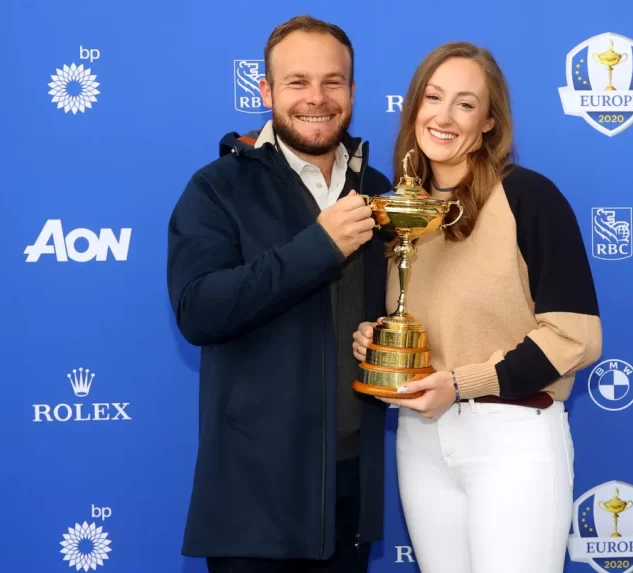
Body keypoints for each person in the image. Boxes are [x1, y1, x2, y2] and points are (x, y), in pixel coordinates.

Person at [352, 42, 603, 572]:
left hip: (512, 437)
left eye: (465, 104)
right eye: (433, 97)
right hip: (420, 440)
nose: (443, 117)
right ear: (414, 106)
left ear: (490, 121)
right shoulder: (401, 211)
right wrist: (377, 341)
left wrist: (462, 384)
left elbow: (576, 336)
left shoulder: (529, 197)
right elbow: (426, 321)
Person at [167, 15, 392, 573]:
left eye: (332, 82)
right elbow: (198, 310)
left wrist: (384, 335)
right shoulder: (217, 187)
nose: (316, 98)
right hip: (254, 502)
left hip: (349, 493)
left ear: (353, 92)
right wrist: (318, 246)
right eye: (297, 82)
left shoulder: (378, 191)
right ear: (266, 91)